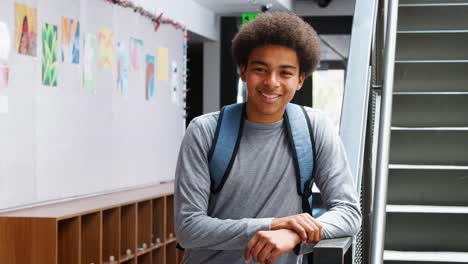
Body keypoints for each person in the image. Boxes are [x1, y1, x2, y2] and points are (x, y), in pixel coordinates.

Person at [174, 11, 361, 264]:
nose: (271, 82)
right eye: (260, 69)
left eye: (285, 73)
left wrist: (293, 235)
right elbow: (188, 228)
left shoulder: (314, 128)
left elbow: (348, 212)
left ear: (300, 80)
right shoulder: (204, 131)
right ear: (243, 71)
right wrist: (273, 225)